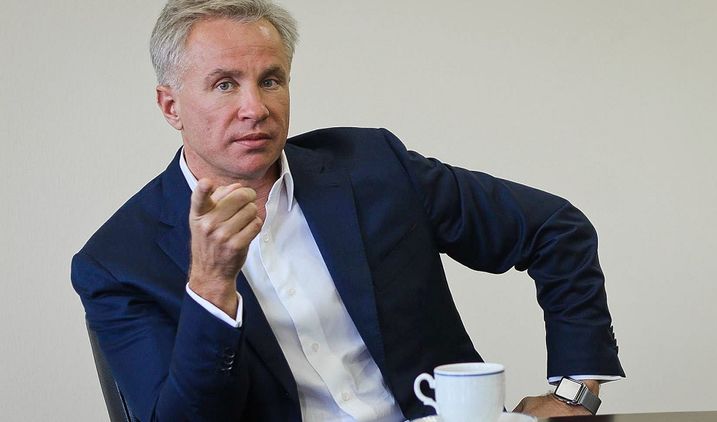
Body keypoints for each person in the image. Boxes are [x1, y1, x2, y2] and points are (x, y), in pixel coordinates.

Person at [72, 1, 624, 421]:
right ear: (171, 105)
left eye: (270, 80)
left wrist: (575, 392)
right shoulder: (117, 262)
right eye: (224, 85)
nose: (255, 108)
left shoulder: (374, 167)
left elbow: (554, 229)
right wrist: (211, 287)